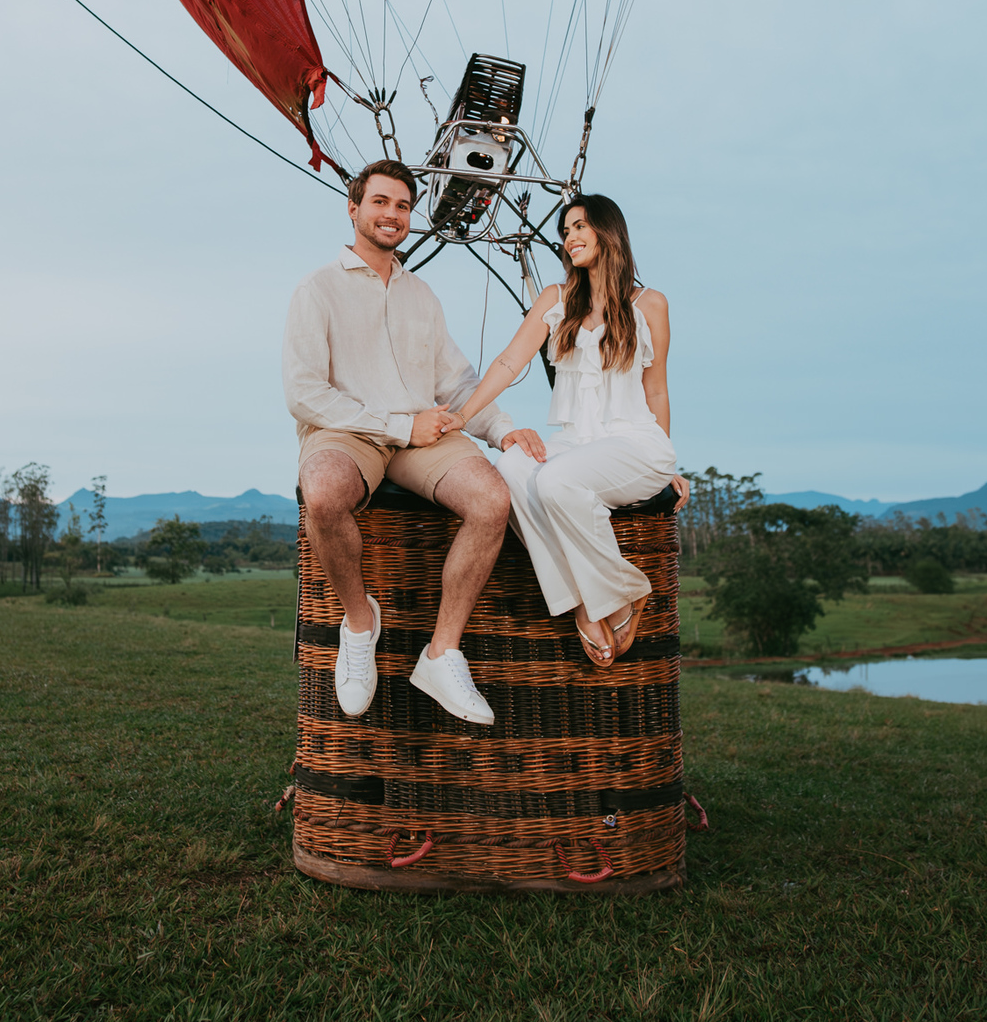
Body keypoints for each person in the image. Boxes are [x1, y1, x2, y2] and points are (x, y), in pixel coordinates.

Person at [282, 159, 541, 726]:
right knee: (322, 493)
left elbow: (457, 381)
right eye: (380, 202)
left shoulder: (421, 294)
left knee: (492, 499)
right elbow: (304, 393)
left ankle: (441, 653)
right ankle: (359, 623)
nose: (392, 215)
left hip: (424, 435)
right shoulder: (317, 288)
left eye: (402, 205)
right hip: (349, 432)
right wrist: (399, 427)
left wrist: (503, 428)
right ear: (353, 208)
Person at [450, 194, 690, 668]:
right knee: (512, 468)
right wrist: (462, 416)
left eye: (579, 226)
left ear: (609, 231)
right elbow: (507, 361)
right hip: (574, 440)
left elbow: (656, 390)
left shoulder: (651, 304)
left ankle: (620, 594)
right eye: (565, 231)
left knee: (556, 480)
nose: (569, 237)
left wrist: (668, 465)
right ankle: (588, 599)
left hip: (635, 443)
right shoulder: (556, 300)